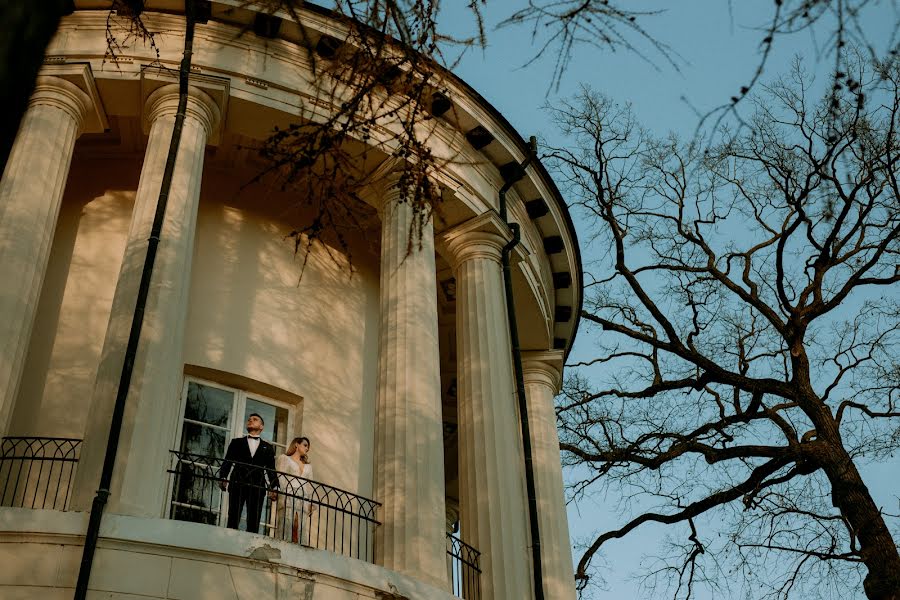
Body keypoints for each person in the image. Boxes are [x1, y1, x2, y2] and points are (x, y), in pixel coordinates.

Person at [218, 413, 278, 533]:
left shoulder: (268, 447)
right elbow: (227, 461)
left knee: (254, 520)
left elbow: (271, 469)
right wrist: (223, 476)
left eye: (254, 420)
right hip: (237, 483)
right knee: (233, 517)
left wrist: (274, 487)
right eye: (249, 419)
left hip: (257, 486)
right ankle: (229, 540)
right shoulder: (236, 442)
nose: (250, 421)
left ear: (261, 427)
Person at [275, 436, 315, 544]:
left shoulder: (308, 466)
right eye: (305, 445)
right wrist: (282, 493)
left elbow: (310, 485)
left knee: (299, 527)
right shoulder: (284, 458)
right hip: (288, 494)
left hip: (303, 498)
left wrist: (311, 502)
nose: (307, 449)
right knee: (287, 524)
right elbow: (280, 477)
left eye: (308, 447)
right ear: (296, 444)